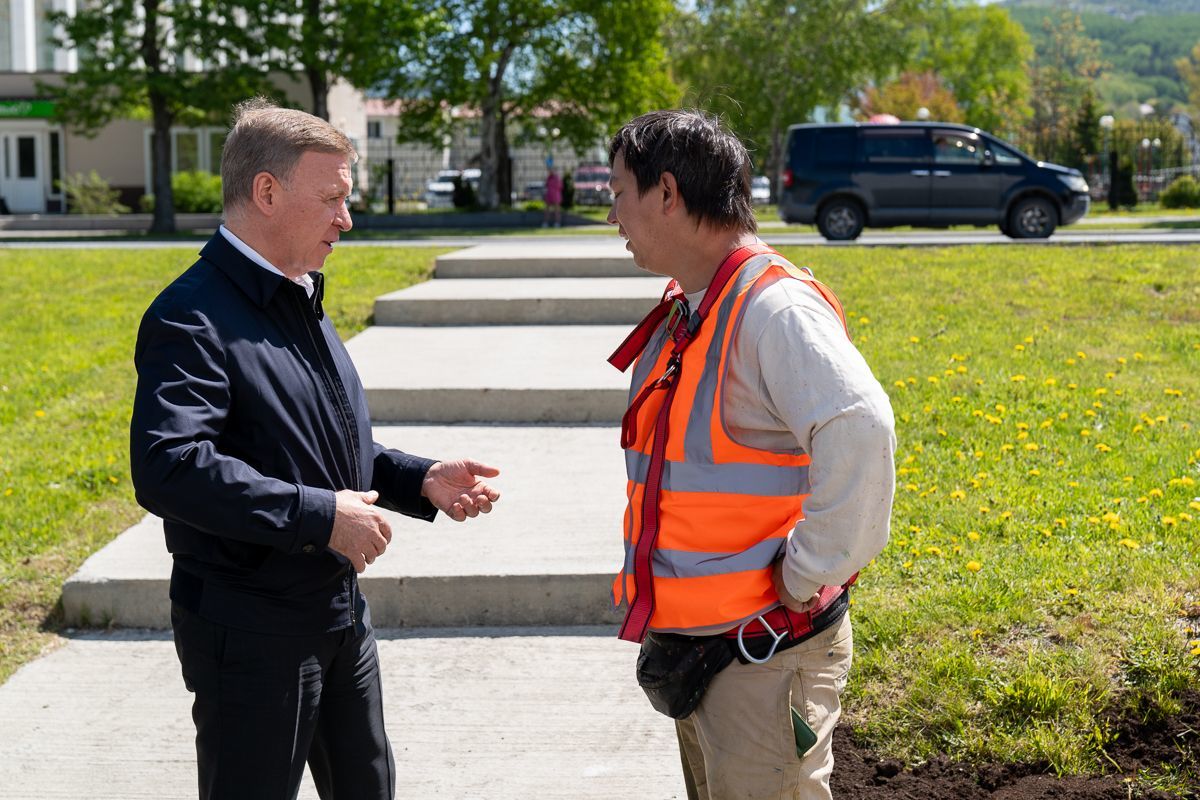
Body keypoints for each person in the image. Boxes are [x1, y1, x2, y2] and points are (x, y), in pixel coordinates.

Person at [129, 98, 501, 800]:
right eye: (331, 197)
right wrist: (319, 515)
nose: (347, 218)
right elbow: (168, 465)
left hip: (337, 613)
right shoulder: (193, 314)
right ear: (266, 193)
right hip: (249, 629)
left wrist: (418, 480)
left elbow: (319, 443)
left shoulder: (296, 294)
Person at [605, 109, 894, 800]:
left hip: (763, 656)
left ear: (667, 193)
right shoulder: (698, 303)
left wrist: (807, 573)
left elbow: (861, 428)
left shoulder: (774, 309)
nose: (610, 211)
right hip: (707, 652)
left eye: (618, 191)